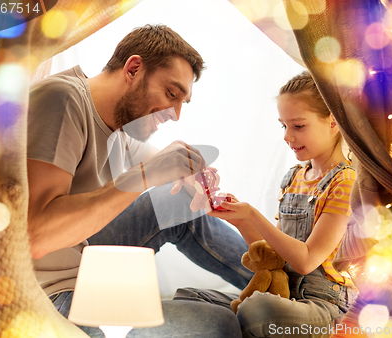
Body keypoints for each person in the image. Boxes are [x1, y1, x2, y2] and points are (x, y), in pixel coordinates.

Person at [27, 24, 251, 337]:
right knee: (219, 324)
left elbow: (165, 165)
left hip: (86, 264)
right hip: (44, 290)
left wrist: (189, 172)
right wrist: (146, 175)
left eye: (182, 103)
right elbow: (36, 238)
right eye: (171, 94)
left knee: (178, 200)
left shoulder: (120, 127)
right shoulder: (61, 100)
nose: (175, 114)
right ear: (133, 68)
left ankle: (283, 286)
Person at [178, 71, 358, 337]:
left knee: (258, 310)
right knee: (189, 297)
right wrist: (239, 219)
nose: (287, 136)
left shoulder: (346, 181)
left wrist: (253, 215)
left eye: (298, 126)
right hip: (282, 293)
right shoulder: (294, 177)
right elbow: (274, 259)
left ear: (332, 121)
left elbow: (306, 262)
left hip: (324, 306)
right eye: (283, 125)